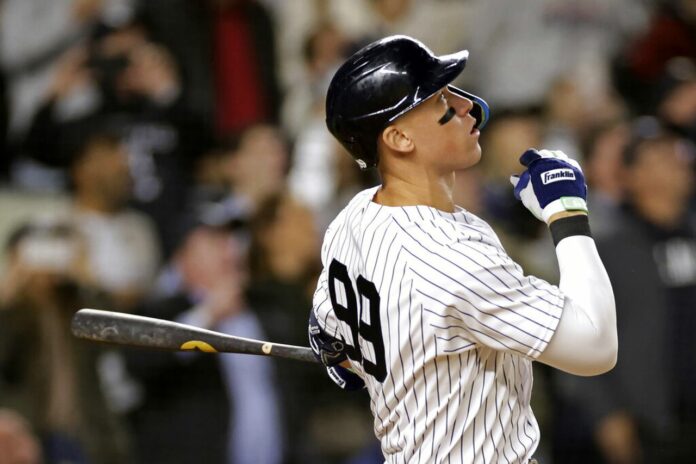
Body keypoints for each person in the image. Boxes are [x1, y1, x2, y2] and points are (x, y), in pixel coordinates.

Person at [307, 35, 617, 463]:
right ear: (398, 138)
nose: (466, 104)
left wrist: (341, 348)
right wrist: (568, 216)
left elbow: (327, 324)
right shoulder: (448, 256)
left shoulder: (354, 219)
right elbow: (596, 347)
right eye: (439, 100)